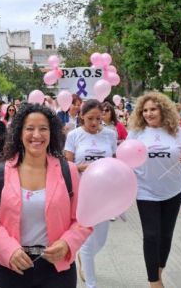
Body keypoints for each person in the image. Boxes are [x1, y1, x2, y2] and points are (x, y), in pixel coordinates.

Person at [0, 104, 91, 288]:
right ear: (19, 133)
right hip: (13, 266)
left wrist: (67, 243)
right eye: (30, 128)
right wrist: (9, 249)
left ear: (52, 132)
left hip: (58, 268)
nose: (36, 135)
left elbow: (83, 219)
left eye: (43, 129)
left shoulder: (68, 171)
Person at [128, 92, 181, 288]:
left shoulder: (177, 132)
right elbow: (126, 159)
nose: (149, 113)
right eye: (145, 110)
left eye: (153, 109)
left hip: (173, 190)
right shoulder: (136, 133)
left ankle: (158, 271)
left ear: (163, 110)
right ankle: (154, 282)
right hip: (145, 190)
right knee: (151, 235)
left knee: (166, 235)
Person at [64, 100, 117, 287]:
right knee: (87, 239)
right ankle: (91, 283)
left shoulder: (110, 135)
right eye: (90, 118)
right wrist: (86, 167)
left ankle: (84, 258)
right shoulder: (74, 135)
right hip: (83, 193)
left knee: (100, 240)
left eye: (98, 118)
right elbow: (67, 166)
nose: (94, 122)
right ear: (81, 117)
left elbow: (116, 162)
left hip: (104, 193)